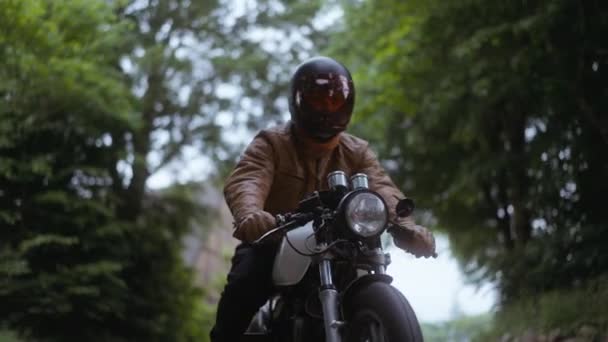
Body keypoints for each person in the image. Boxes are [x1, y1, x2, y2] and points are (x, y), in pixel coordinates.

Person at [210, 56, 436, 342]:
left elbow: (382, 188)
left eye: (334, 101)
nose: (326, 109)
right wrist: (251, 214)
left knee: (367, 272)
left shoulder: (357, 151)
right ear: (299, 101)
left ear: (348, 104)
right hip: (275, 238)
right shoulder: (272, 143)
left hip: (341, 242)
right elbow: (248, 178)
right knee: (244, 283)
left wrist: (406, 227)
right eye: (318, 101)